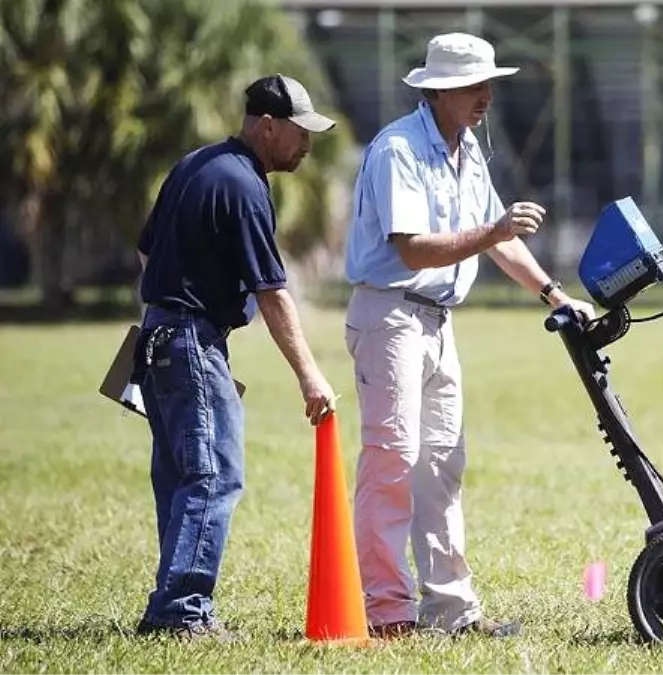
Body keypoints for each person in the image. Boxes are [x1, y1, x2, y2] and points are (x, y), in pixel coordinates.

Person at [342, 33, 595, 639]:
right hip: (391, 316)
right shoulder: (399, 149)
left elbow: (501, 239)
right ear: (439, 91)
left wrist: (554, 295)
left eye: (488, 85)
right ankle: (387, 614)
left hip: (435, 321)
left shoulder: (468, 149)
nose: (486, 96)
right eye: (474, 86)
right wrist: (492, 231)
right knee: (393, 461)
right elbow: (412, 249)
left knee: (443, 463)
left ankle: (452, 611)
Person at [133, 74, 340, 640]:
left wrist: (168, 309)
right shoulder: (245, 187)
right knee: (213, 476)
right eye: (300, 134)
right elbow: (273, 294)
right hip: (190, 341)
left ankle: (172, 603)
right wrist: (310, 376)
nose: (306, 146)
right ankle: (181, 613)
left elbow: (145, 250)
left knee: (180, 477)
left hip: (158, 338)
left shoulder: (196, 165)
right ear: (268, 127)